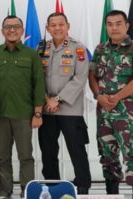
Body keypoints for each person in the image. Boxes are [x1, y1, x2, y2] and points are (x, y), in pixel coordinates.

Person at [88, 10, 133, 199]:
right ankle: (112, 196)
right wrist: (99, 96)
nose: (113, 27)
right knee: (108, 159)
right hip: (105, 113)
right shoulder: (100, 49)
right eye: (109, 24)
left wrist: (116, 97)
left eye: (118, 23)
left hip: (128, 114)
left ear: (127, 26)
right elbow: (92, 76)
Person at [0, 16, 45, 198]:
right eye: (7, 27)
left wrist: (38, 112)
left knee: (26, 156)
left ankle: (27, 190)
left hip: (24, 115)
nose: (11, 30)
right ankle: (4, 191)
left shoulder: (31, 55)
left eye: (16, 27)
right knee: (2, 157)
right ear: (2, 31)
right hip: (0, 115)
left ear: (22, 31)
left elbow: (39, 84)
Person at [36, 12, 91, 194]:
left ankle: (82, 187)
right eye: (53, 25)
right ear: (47, 27)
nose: (57, 28)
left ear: (68, 26)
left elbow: (80, 78)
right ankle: (53, 187)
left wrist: (57, 99)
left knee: (77, 150)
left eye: (61, 24)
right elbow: (36, 78)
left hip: (70, 109)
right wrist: (46, 99)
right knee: (48, 152)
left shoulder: (78, 49)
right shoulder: (41, 48)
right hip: (47, 109)